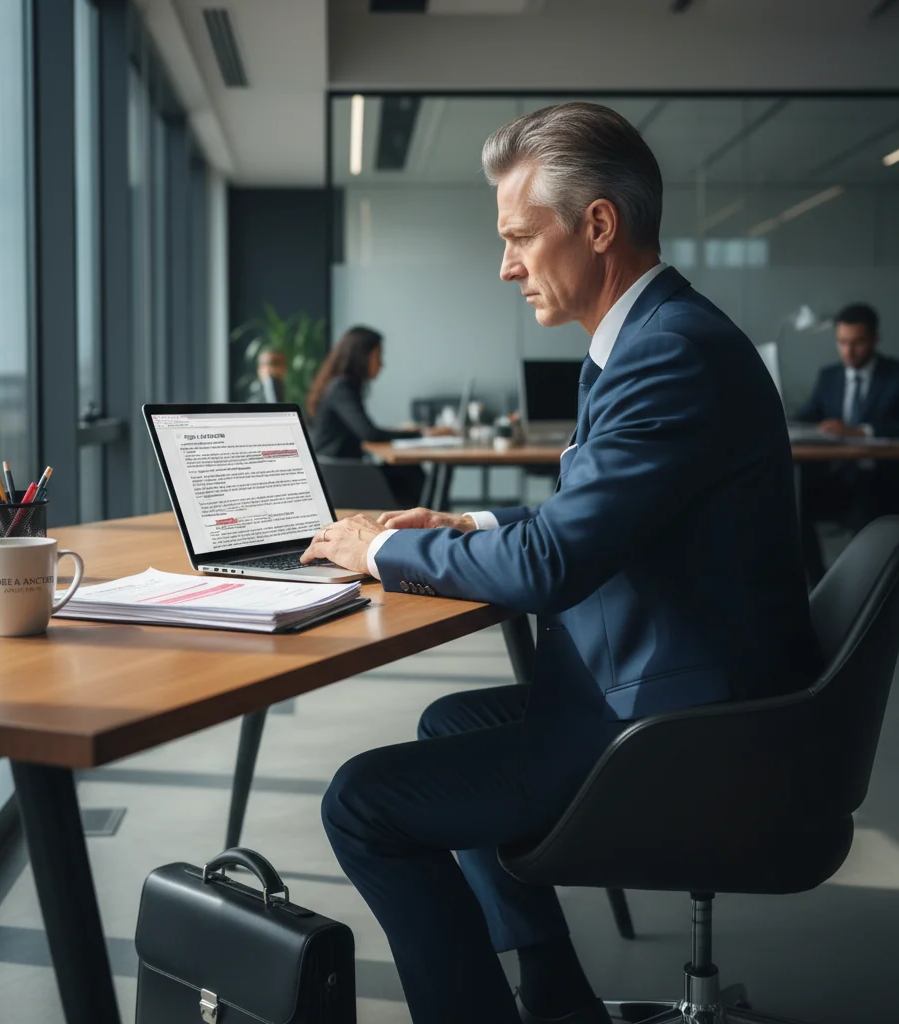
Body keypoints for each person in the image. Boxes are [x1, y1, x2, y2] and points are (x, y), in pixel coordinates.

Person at [302, 103, 822, 1024]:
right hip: (691, 688)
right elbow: (599, 518)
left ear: (598, 225)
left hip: (686, 730)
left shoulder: (670, 356)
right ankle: (553, 989)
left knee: (361, 804)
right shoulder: (656, 340)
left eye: (518, 237)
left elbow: (550, 565)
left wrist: (379, 548)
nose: (506, 265)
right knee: (446, 722)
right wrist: (458, 519)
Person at [794, 302, 899, 585]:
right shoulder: (829, 376)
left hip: (884, 479)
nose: (849, 351)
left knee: (865, 507)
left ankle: (861, 593)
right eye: (842, 342)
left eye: (857, 342)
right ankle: (821, 584)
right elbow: (805, 418)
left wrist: (860, 431)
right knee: (792, 504)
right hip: (837, 477)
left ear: (874, 339)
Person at [306, 326, 447, 508]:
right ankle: (432, 521)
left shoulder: (343, 387)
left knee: (409, 472)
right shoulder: (341, 388)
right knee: (410, 473)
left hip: (345, 470)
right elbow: (370, 433)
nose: (382, 364)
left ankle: (432, 521)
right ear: (362, 357)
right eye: (378, 356)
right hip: (341, 474)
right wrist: (421, 434)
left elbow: (366, 431)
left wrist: (414, 433)